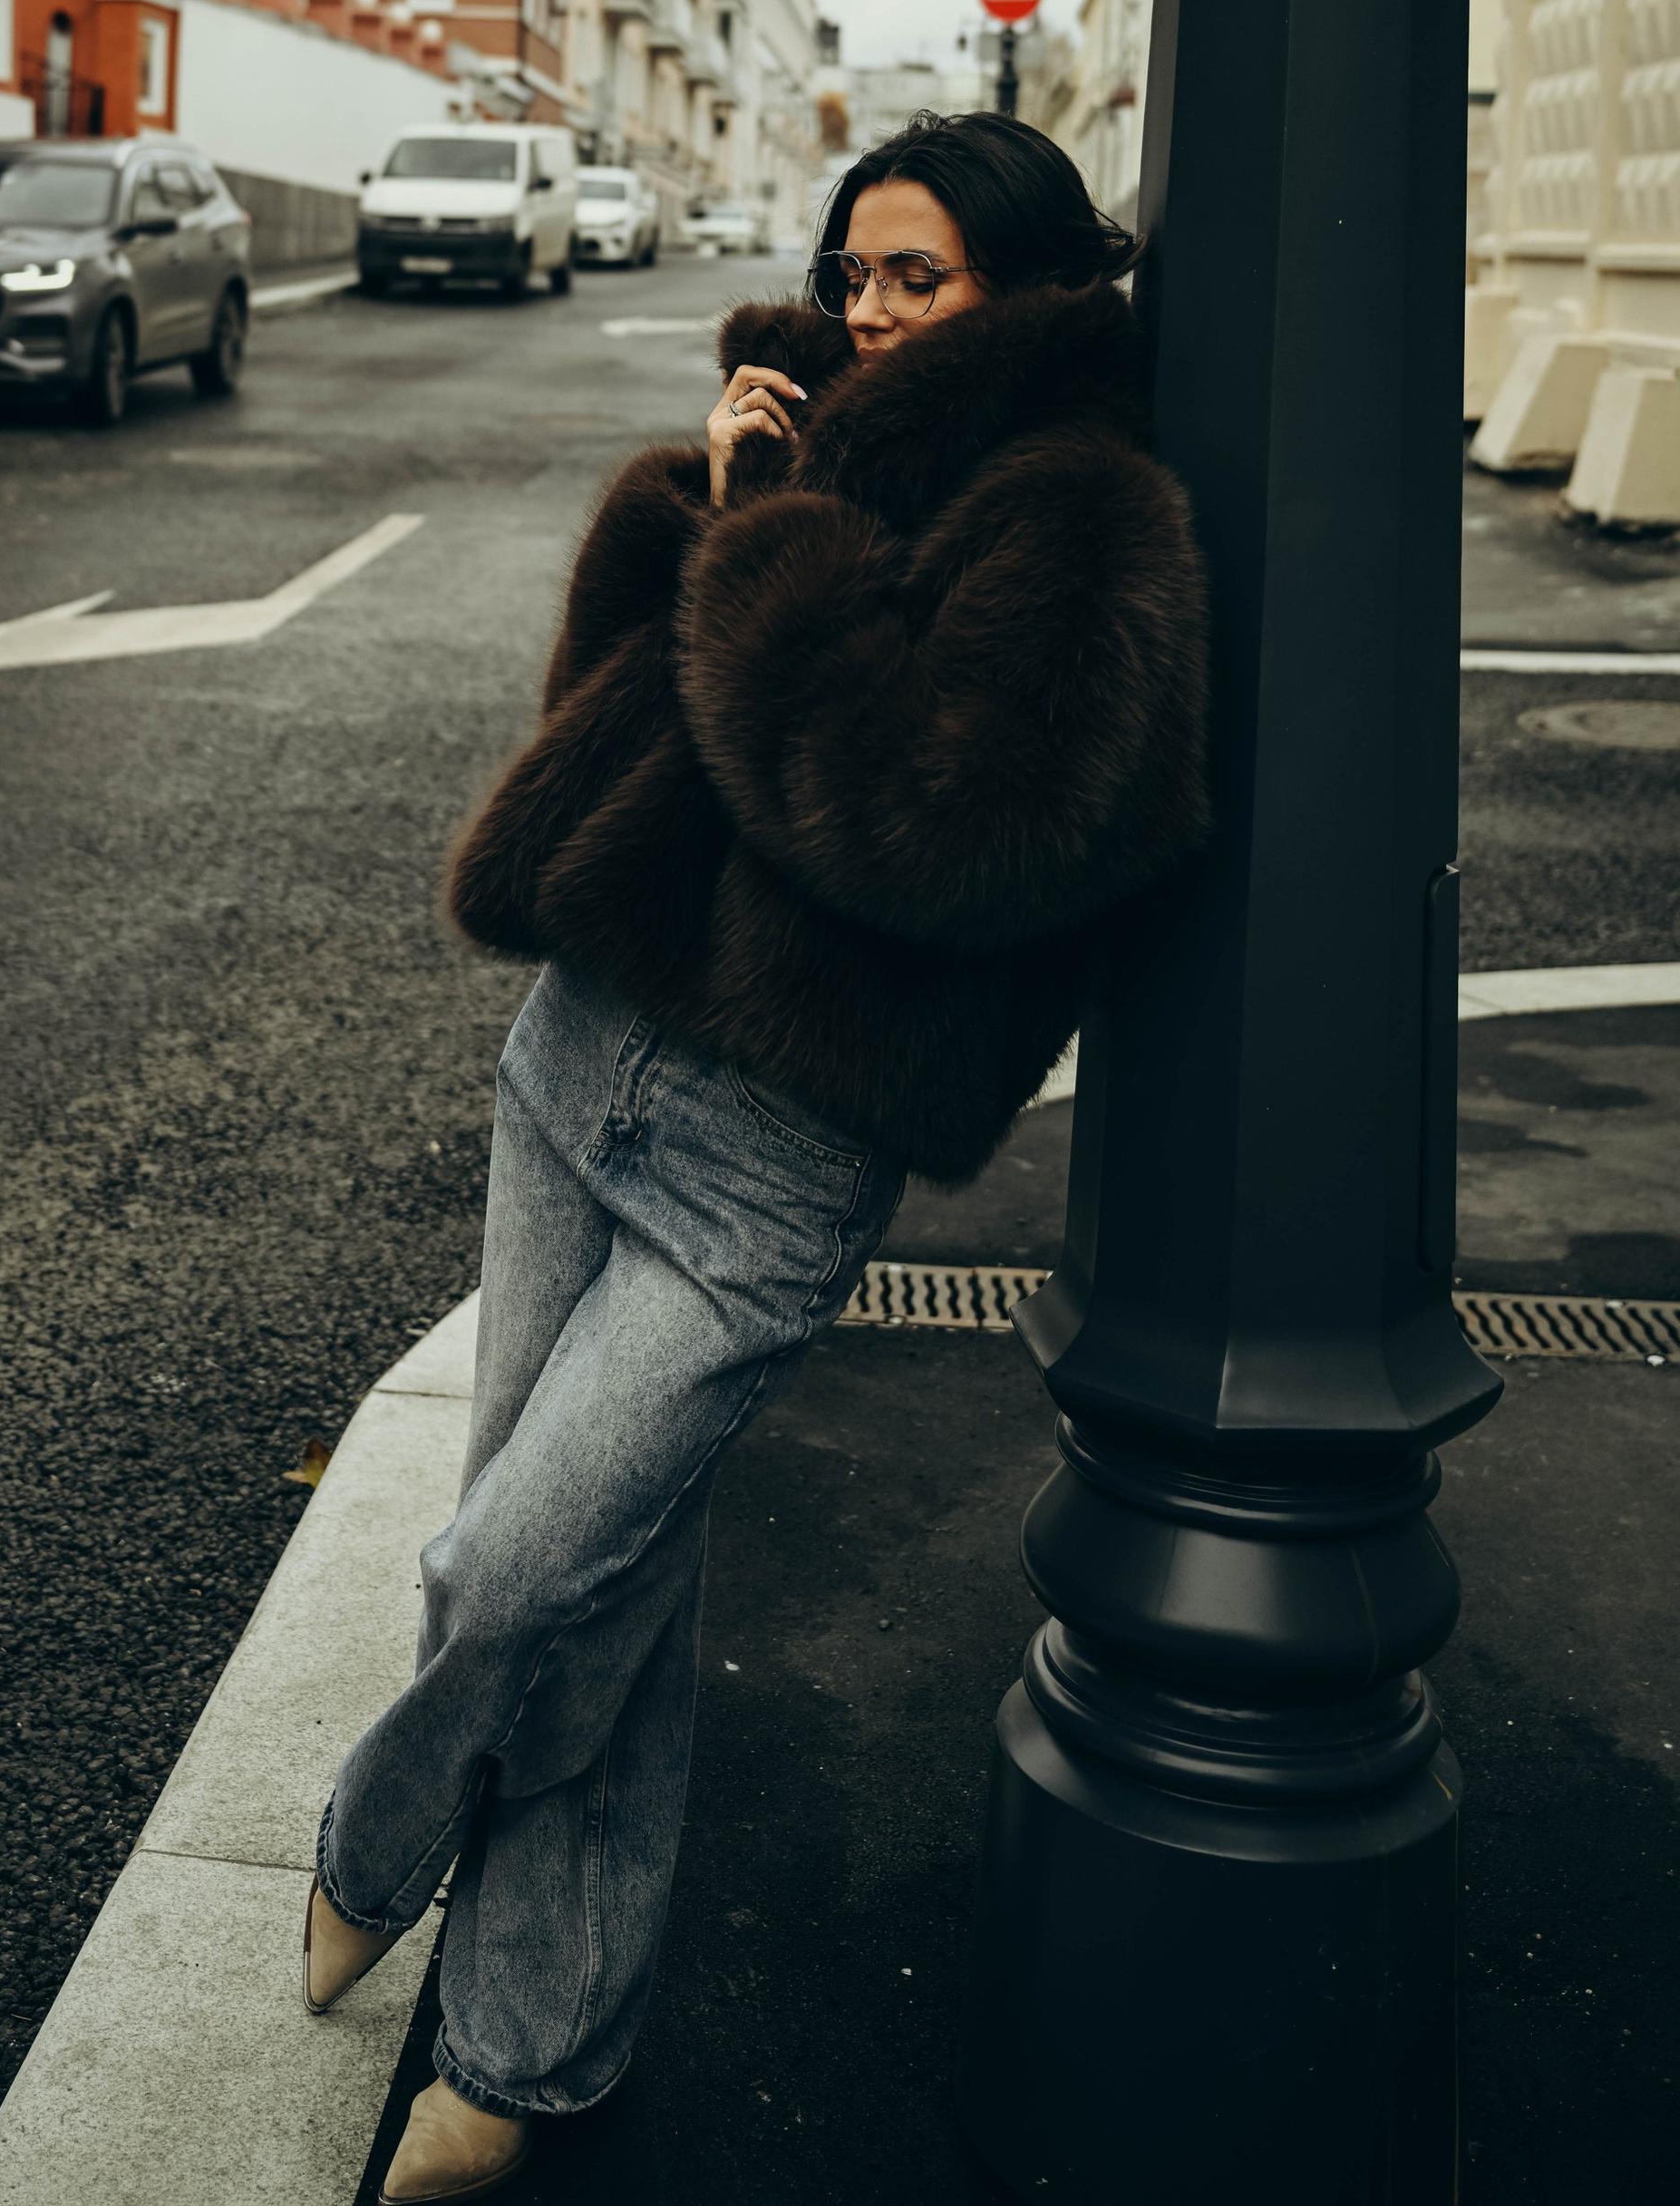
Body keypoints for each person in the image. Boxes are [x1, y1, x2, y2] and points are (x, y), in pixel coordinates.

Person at [302, 112, 1210, 2201]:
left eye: (919, 278)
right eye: (851, 272)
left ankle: (371, 1839)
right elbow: (606, 723)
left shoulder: (1080, 512)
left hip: (771, 1155)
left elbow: (925, 825)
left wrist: (767, 542)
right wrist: (688, 520)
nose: (869, 313)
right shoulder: (797, 450)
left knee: (512, 1575)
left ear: (1027, 288)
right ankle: (518, 2067)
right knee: (603, 1587)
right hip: (583, 1054)